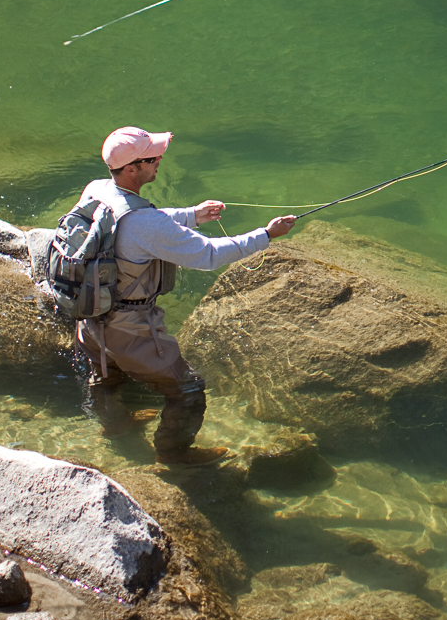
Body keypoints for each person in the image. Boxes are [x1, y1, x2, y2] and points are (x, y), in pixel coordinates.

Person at [76, 125, 296, 465]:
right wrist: (266, 234)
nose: (160, 159)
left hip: (90, 316)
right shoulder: (145, 224)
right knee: (189, 390)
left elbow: (138, 221)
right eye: (153, 158)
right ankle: (174, 454)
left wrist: (192, 215)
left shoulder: (98, 189)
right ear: (133, 168)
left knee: (106, 373)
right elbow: (208, 255)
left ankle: (115, 425)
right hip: (129, 328)